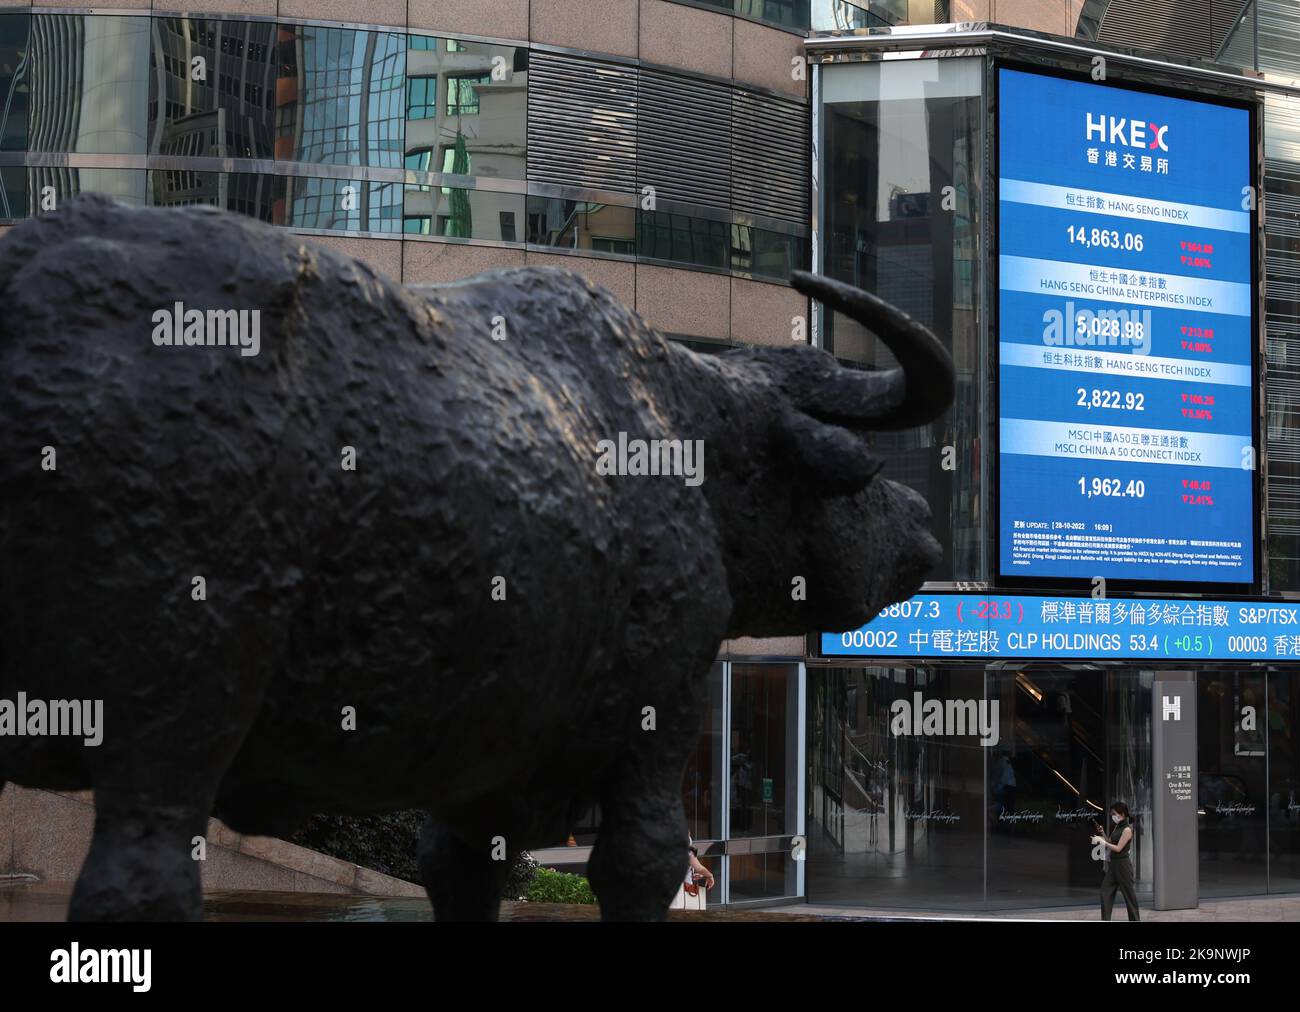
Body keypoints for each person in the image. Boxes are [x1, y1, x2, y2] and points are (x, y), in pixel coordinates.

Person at [1092, 801, 1139, 921]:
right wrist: (1102, 833)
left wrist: (1103, 842)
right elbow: (1111, 842)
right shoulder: (1118, 827)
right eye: (1112, 814)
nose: (1113, 816)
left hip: (1123, 865)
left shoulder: (1127, 830)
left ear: (1122, 814)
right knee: (1105, 891)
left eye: (1114, 814)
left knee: (1129, 896)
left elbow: (1118, 848)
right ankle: (1106, 919)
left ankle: (1135, 920)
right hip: (1113, 865)